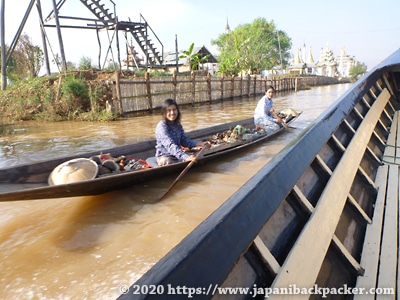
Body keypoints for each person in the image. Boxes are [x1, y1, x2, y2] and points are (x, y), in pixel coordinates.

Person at [155, 98, 209, 166]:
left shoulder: (177, 124)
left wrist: (199, 143)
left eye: (174, 110)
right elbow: (170, 146)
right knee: (168, 162)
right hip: (165, 157)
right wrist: (186, 157)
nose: (172, 113)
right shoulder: (162, 127)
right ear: (164, 113)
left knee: (199, 156)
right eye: (169, 110)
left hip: (177, 155)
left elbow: (184, 140)